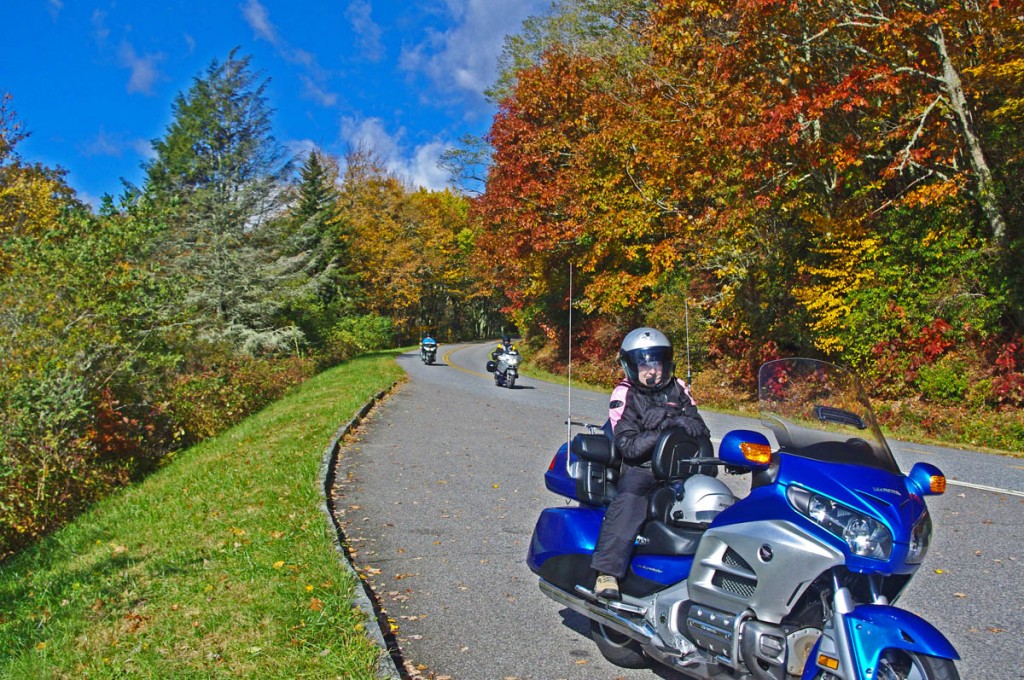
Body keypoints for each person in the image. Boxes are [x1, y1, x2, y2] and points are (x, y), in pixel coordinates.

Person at [591, 327, 711, 600]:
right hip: (643, 468)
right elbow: (628, 447)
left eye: (657, 363)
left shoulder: (678, 388)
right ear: (631, 366)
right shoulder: (624, 394)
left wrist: (671, 418)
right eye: (645, 364)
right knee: (632, 496)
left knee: (715, 499)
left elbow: (699, 429)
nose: (652, 371)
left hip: (681, 466)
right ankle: (607, 572)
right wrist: (660, 432)